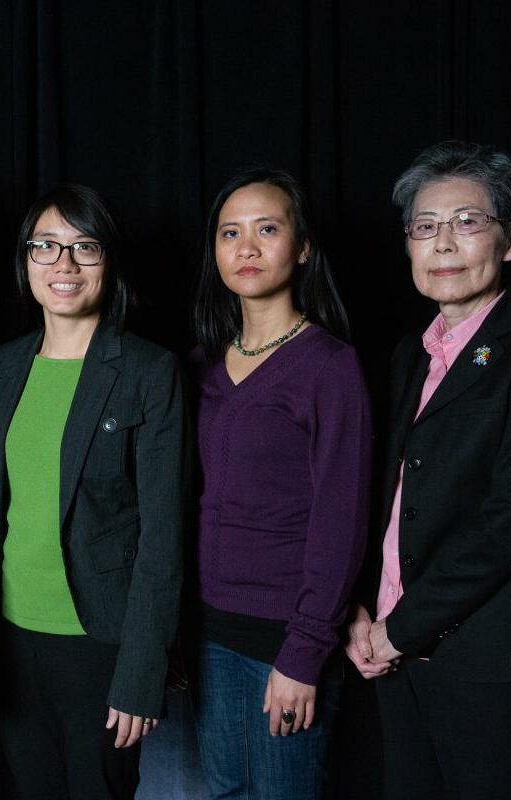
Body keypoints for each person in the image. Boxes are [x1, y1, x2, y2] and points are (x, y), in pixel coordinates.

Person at [345, 140, 511, 800]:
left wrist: (401, 628)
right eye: (425, 226)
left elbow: (510, 525)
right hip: (394, 657)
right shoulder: (408, 356)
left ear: (509, 240)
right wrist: (365, 610)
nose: (443, 242)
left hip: (488, 664)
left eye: (466, 221)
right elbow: (391, 497)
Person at [0, 184, 186, 800]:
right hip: (13, 641)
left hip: (101, 641)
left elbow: (165, 532)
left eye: (84, 247)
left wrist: (141, 672)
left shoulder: (149, 370)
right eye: (46, 246)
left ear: (110, 261)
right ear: (25, 261)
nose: (63, 265)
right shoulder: (3, 364)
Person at [190, 168, 372, 799]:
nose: (247, 247)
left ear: (302, 247)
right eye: (229, 232)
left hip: (287, 640)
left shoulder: (329, 367)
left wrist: (304, 652)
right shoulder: (204, 364)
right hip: (211, 635)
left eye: (267, 229)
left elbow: (341, 520)